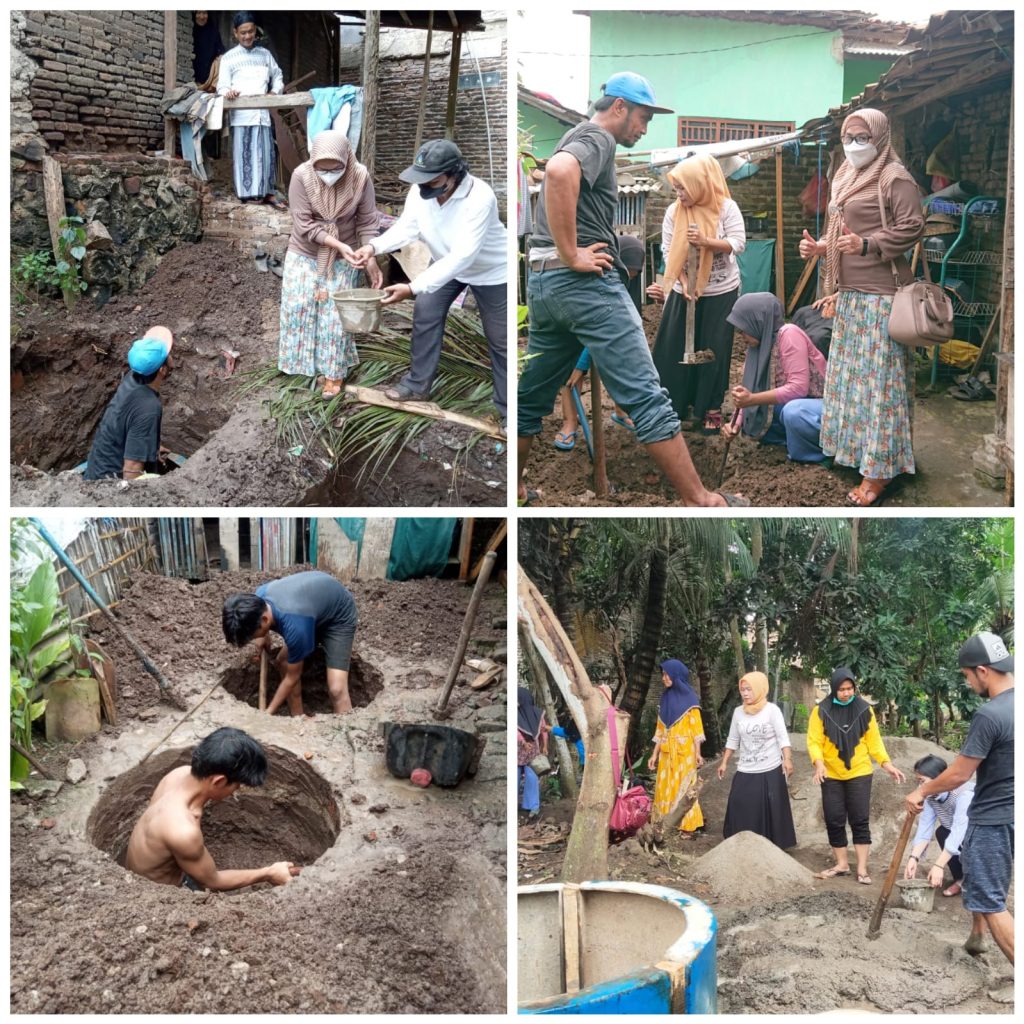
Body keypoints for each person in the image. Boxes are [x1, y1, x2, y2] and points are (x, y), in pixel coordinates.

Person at [516, 72, 746, 508]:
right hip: (583, 285)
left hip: (543, 286)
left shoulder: (574, 136)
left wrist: (560, 255)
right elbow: (560, 172)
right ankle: (702, 500)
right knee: (646, 395)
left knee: (531, 400)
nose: (644, 128)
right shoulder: (596, 137)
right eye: (642, 117)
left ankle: (518, 488)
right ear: (618, 107)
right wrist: (573, 254)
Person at [797, 108, 924, 506]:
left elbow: (912, 225)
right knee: (853, 387)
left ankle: (880, 472)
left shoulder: (894, 177)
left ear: (881, 137)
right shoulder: (845, 176)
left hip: (883, 298)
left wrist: (868, 244)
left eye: (862, 137)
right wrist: (821, 247)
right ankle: (858, 455)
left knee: (881, 390)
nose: (853, 144)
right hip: (851, 297)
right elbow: (840, 232)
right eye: (848, 137)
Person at [349, 140, 506, 427]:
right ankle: (417, 386)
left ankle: (507, 410)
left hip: (492, 271)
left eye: (432, 180)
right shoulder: (420, 191)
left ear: (454, 174)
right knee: (426, 314)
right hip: (444, 262)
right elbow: (407, 228)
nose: (425, 186)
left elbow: (464, 255)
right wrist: (373, 247)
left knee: (501, 340)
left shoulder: (480, 197)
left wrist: (412, 286)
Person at [906, 632, 1014, 964]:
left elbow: (959, 774)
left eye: (967, 675)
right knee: (985, 886)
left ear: (982, 670)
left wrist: (922, 790)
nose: (967, 683)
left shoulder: (990, 714)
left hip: (992, 818)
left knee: (991, 903)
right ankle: (977, 938)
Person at [125, 727, 300, 891]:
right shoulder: (183, 831)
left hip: (144, 873)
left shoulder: (178, 775)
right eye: (236, 786)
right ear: (219, 781)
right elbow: (212, 881)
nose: (235, 792)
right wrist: (269, 873)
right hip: (159, 896)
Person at [279, 130, 381, 398]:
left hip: (345, 257)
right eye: (322, 169)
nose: (329, 175)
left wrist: (369, 256)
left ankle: (334, 374)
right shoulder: (301, 176)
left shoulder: (360, 178)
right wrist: (338, 245)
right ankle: (304, 367)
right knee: (299, 311)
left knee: (335, 317)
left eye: (336, 168)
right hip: (304, 253)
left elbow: (368, 220)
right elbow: (304, 226)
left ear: (347, 160)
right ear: (313, 163)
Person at [650, 154, 745, 434]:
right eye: (676, 188)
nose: (679, 194)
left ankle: (710, 408)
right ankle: (675, 406)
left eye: (684, 188)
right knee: (673, 346)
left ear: (701, 184)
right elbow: (668, 250)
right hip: (685, 290)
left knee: (714, 348)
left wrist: (706, 242)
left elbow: (738, 243)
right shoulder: (674, 212)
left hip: (720, 290)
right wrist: (682, 279)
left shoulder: (725, 208)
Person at [808, 666, 906, 883]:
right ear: (834, 689)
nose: (846, 693)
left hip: (860, 772)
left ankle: (862, 869)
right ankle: (842, 864)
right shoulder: (821, 710)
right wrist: (819, 763)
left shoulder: (864, 710)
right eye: (841, 689)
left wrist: (886, 764)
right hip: (831, 773)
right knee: (834, 819)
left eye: (850, 688)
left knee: (859, 820)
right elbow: (814, 741)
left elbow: (874, 742)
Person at [222, 571, 359, 716]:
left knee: (337, 689)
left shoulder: (296, 627)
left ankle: (347, 731)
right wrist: (262, 637)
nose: (251, 639)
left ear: (264, 621)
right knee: (283, 662)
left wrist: (267, 713)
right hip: (310, 610)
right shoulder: (258, 597)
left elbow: (292, 677)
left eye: (251, 636)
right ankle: (298, 717)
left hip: (338, 617)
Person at [722, 292, 829, 462]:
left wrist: (752, 399)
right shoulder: (758, 347)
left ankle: (817, 456)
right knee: (760, 418)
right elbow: (749, 391)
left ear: (756, 322)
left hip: (823, 406)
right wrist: (735, 423)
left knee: (793, 413)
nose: (741, 336)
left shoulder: (789, 334)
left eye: (743, 330)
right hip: (799, 403)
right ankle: (794, 440)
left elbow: (798, 388)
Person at [718, 671, 797, 848]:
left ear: (760, 689)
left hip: (770, 769)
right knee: (740, 802)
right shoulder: (739, 712)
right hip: (746, 768)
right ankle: (742, 845)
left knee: (770, 807)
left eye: (749, 689)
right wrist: (724, 762)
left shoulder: (772, 710)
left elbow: (783, 738)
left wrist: (788, 759)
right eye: (743, 690)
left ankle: (772, 847)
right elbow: (732, 739)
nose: (745, 693)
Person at [84, 327, 175, 480]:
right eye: (168, 354)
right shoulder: (149, 407)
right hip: (107, 486)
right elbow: (131, 472)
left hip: (96, 468)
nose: (172, 355)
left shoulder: (132, 378)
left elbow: (128, 423)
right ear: (162, 370)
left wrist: (151, 447)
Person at [217, 12, 285, 207]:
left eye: (251, 31)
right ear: (235, 33)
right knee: (245, 155)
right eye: (243, 33)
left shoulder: (265, 55)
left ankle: (266, 192)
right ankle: (247, 195)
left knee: (264, 154)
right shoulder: (229, 58)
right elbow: (222, 86)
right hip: (241, 115)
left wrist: (274, 91)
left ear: (256, 31)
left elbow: (278, 75)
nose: (247, 36)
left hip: (262, 115)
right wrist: (227, 93)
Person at [647, 659, 705, 833]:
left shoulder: (690, 700)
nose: (664, 678)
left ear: (676, 675)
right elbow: (660, 730)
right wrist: (654, 755)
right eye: (663, 674)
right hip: (666, 752)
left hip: (685, 752)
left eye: (667, 674)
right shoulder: (665, 699)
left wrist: (698, 754)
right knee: (664, 787)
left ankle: (687, 825)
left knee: (684, 787)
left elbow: (697, 730)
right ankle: (664, 824)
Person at [903, 754, 974, 898]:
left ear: (940, 778)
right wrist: (913, 858)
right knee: (942, 832)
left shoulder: (964, 793)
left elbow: (958, 831)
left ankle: (976, 880)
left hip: (979, 832)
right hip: (956, 831)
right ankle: (961, 880)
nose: (920, 787)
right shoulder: (930, 795)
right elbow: (925, 828)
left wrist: (938, 865)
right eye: (919, 781)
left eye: (922, 781)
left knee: (964, 841)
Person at [517, 686, 549, 823]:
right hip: (530, 750)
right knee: (531, 777)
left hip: (520, 751)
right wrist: (544, 746)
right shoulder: (537, 713)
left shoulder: (517, 714)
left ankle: (529, 806)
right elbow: (544, 731)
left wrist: (523, 742)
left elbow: (515, 731)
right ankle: (532, 806)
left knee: (523, 777)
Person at [192, 11, 225, 88]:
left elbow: (221, 51)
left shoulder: (213, 31)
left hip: (210, 79)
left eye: (204, 13)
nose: (202, 16)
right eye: (199, 13)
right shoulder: (190, 31)